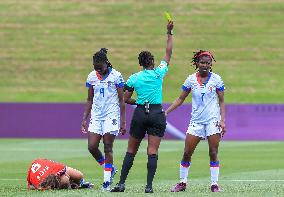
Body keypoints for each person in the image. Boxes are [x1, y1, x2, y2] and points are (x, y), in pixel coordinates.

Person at [111, 20, 174, 193]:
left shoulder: (134, 78)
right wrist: (169, 33)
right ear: (152, 61)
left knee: (131, 150)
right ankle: (148, 187)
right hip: (156, 113)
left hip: (140, 113)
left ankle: (121, 183)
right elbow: (168, 53)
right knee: (152, 150)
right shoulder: (158, 73)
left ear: (140, 63)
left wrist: (138, 102)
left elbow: (124, 98)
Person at [166, 50, 226, 192]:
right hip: (196, 122)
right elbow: (180, 99)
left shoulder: (217, 79)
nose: (205, 65)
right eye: (202, 62)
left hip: (213, 121)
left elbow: (222, 101)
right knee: (187, 152)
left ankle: (214, 184)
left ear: (211, 64)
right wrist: (166, 112)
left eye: (207, 63)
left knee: (213, 152)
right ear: (197, 63)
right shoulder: (191, 79)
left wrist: (223, 120)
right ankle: (182, 183)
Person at [81, 48, 126, 191]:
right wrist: (84, 118)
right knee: (92, 147)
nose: (98, 70)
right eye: (95, 68)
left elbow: (121, 100)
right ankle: (110, 169)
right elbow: (89, 98)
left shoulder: (116, 76)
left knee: (107, 147)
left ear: (106, 63)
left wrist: (123, 121)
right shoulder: (91, 77)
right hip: (96, 116)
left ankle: (106, 183)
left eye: (100, 68)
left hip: (111, 116)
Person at [27, 158, 93, 190]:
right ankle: (70, 184)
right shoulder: (39, 184)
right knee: (65, 181)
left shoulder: (58, 168)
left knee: (79, 175)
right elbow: (32, 186)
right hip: (41, 171)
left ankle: (78, 183)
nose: (67, 176)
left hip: (42, 163)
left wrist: (80, 184)